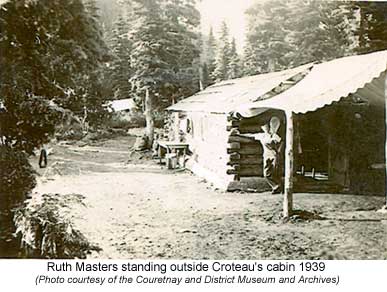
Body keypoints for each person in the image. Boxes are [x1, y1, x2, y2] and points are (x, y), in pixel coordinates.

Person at [241, 118, 283, 194]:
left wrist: (277, 149)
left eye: (267, 127)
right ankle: (276, 186)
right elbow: (250, 135)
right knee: (266, 173)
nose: (265, 129)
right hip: (266, 156)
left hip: (275, 155)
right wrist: (238, 134)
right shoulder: (262, 136)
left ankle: (277, 188)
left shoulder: (274, 136)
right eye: (263, 127)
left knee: (275, 172)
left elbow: (280, 143)